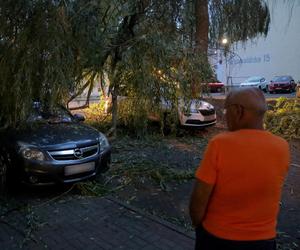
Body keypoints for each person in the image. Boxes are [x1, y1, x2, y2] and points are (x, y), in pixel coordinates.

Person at [189, 88, 290, 250]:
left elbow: (199, 199)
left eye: (226, 110)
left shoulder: (219, 144)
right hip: (263, 241)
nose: (225, 115)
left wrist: (198, 226)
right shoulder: (282, 147)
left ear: (238, 111)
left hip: (218, 238)